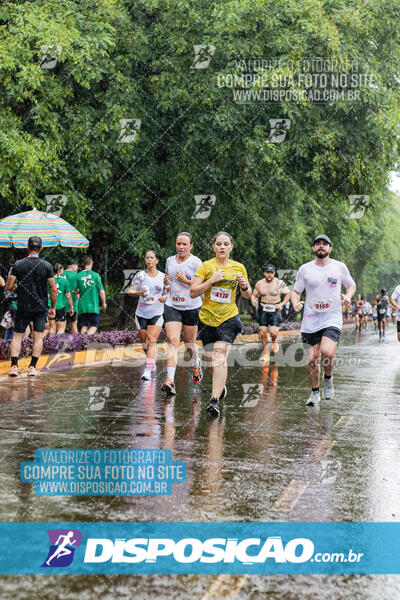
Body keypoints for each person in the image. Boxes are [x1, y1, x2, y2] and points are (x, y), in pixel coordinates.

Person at [190, 231, 252, 416]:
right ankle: (220, 388)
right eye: (219, 244)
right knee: (210, 361)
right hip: (207, 319)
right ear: (214, 247)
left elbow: (248, 295)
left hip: (229, 318)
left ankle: (214, 400)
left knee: (219, 357)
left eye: (226, 244)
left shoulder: (239, 267)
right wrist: (211, 280)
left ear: (231, 247)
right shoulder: (206, 266)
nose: (222, 247)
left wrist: (244, 285)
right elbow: (193, 292)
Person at [291, 234, 356, 406]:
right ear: (313, 248)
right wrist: (295, 302)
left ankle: (328, 378)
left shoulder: (339, 267)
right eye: (318, 244)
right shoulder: (305, 269)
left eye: (325, 244)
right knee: (312, 359)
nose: (321, 246)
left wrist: (348, 296)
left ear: (330, 248)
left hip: (332, 318)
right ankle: (314, 392)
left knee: (327, 352)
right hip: (310, 320)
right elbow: (296, 291)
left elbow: (351, 285)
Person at [6, 236, 57, 377]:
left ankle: (14, 367)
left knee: (17, 336)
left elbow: (9, 287)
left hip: (22, 306)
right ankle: (32, 368)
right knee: (38, 337)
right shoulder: (47, 266)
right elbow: (53, 289)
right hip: (40, 307)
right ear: (40, 248)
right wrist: (53, 307)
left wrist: (19, 287)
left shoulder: (18, 264)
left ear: (27, 248)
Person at [161, 233, 203, 395]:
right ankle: (170, 381)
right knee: (172, 341)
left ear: (191, 246)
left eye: (184, 244)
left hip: (191, 306)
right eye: (178, 244)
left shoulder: (196, 262)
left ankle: (196, 364)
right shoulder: (170, 261)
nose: (181, 247)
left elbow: (202, 285)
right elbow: (168, 281)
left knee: (189, 344)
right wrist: (166, 285)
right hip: (172, 305)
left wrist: (186, 281)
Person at [127, 250, 168, 380]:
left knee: (151, 340)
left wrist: (164, 297)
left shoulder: (163, 276)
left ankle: (148, 370)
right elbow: (130, 290)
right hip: (141, 313)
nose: (149, 260)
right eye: (147, 258)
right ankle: (152, 361)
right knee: (145, 344)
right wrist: (138, 293)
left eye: (151, 258)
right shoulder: (140, 275)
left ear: (156, 261)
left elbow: (170, 292)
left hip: (157, 312)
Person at [251, 264, 290, 363]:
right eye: (267, 272)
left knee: (273, 332)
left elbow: (288, 294)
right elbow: (254, 295)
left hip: (275, 309)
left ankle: (274, 340)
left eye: (271, 272)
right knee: (262, 332)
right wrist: (253, 300)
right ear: (264, 273)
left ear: (274, 273)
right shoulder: (259, 283)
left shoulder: (279, 283)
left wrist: (282, 304)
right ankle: (266, 353)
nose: (269, 274)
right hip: (263, 309)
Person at [76, 256, 106, 334]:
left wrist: (79, 292)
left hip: (82, 307)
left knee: (84, 326)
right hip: (93, 306)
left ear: (83, 264)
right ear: (92, 263)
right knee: (94, 325)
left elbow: (73, 290)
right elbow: (101, 291)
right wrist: (103, 303)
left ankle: (84, 344)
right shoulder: (96, 276)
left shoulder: (78, 276)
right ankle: (86, 339)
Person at [49, 263, 73, 334]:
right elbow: (68, 296)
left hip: (50, 306)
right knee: (61, 328)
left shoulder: (50, 280)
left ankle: (51, 344)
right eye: (62, 269)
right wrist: (71, 308)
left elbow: (47, 295)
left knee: (52, 328)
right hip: (60, 307)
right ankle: (57, 344)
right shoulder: (65, 281)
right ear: (60, 270)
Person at [64, 259, 80, 333]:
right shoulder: (77, 276)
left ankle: (56, 342)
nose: (77, 268)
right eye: (77, 266)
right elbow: (78, 291)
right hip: (73, 304)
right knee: (73, 324)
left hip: (60, 304)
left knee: (60, 326)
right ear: (73, 265)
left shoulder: (61, 274)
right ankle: (77, 343)